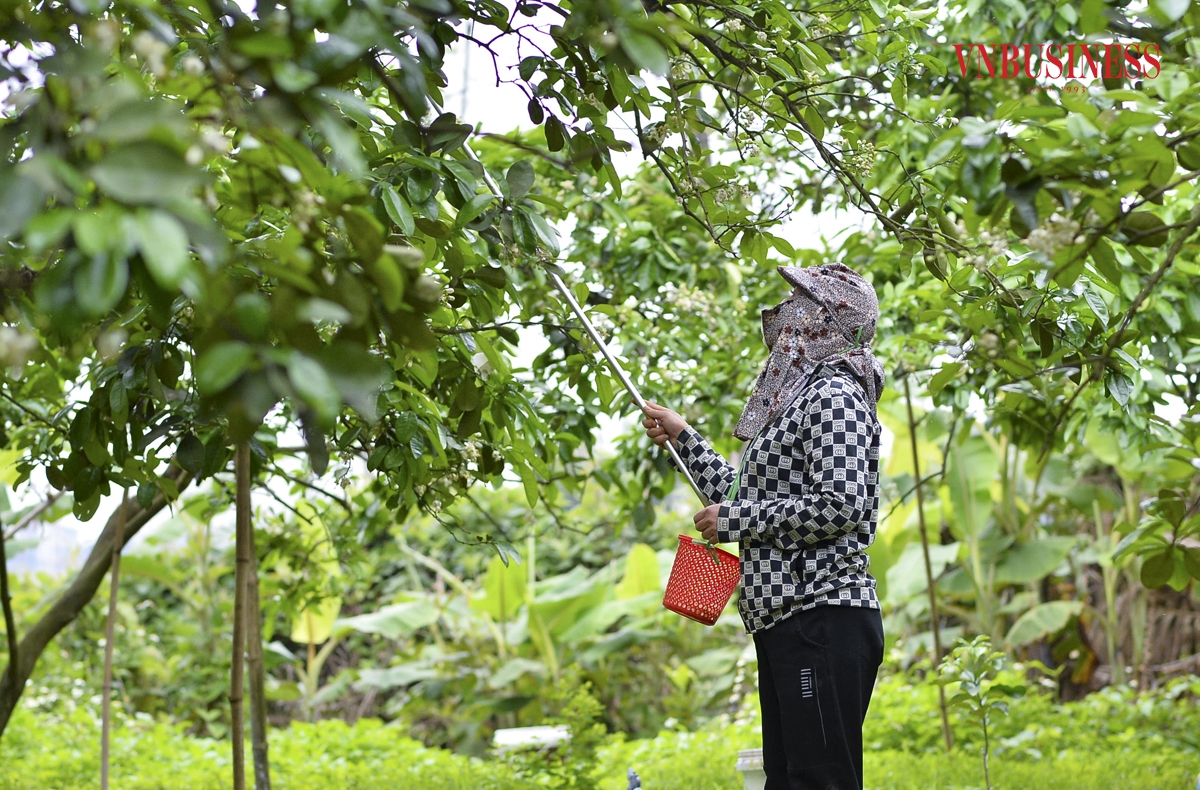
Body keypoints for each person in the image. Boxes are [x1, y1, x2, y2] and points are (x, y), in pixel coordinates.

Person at [641, 263, 886, 790]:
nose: (787, 315)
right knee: (788, 781)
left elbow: (843, 503)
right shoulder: (802, 399)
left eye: (804, 305)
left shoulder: (834, 397)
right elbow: (742, 495)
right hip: (786, 620)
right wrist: (684, 439)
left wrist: (738, 520)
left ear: (829, 321)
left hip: (821, 615)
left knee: (819, 782)